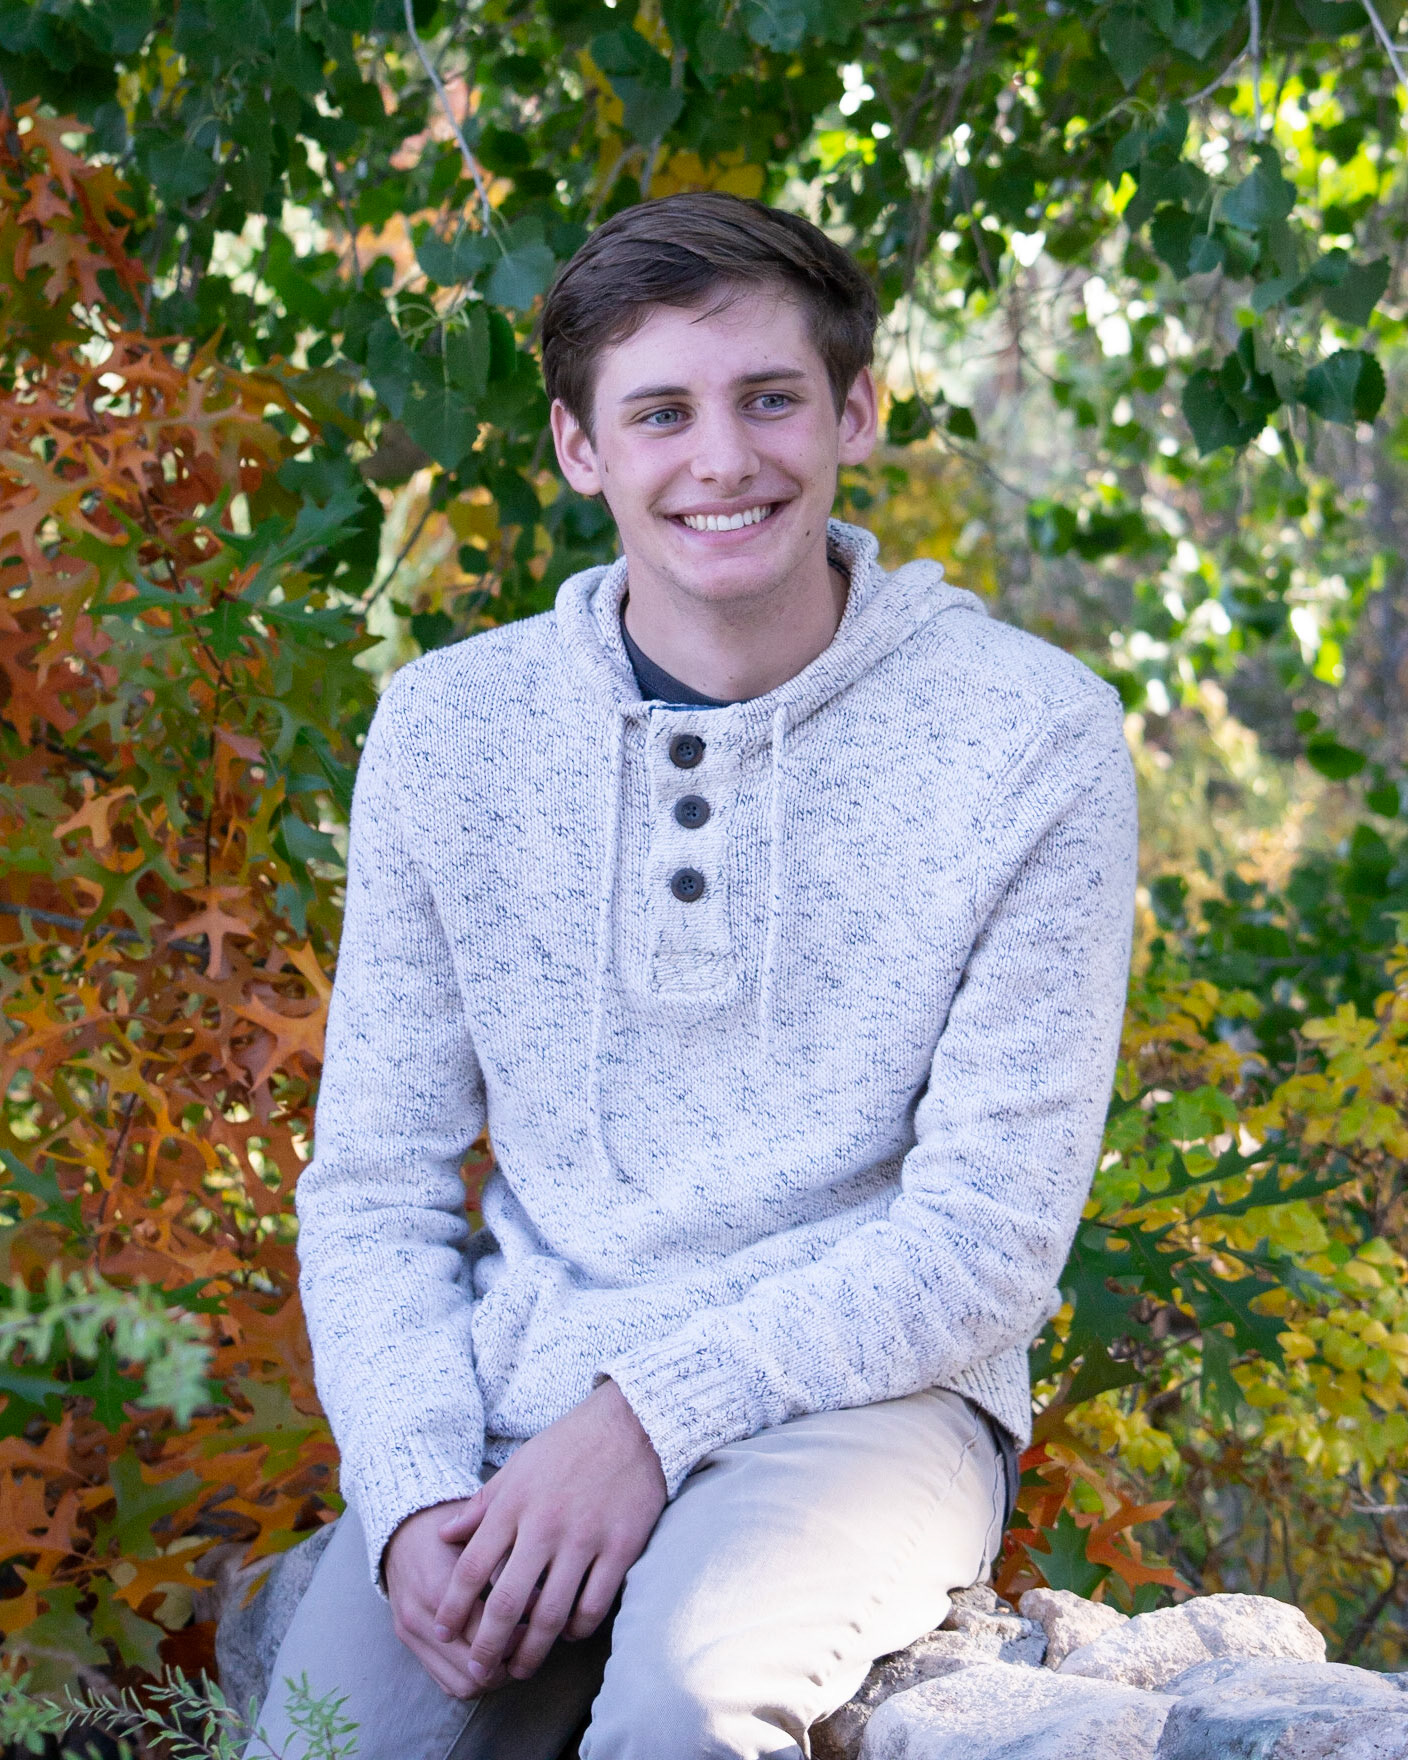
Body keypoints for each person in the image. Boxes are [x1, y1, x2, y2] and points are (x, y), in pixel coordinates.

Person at [250, 192, 1138, 1760]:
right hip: (518, 1398)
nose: (722, 459)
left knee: (686, 1706)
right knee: (332, 1737)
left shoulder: (1031, 735)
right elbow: (377, 1182)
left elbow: (986, 1243)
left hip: (871, 1406)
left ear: (857, 412)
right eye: (661, 412)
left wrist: (649, 1420)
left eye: (771, 399)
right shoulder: (453, 733)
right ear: (581, 447)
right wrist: (409, 1488)